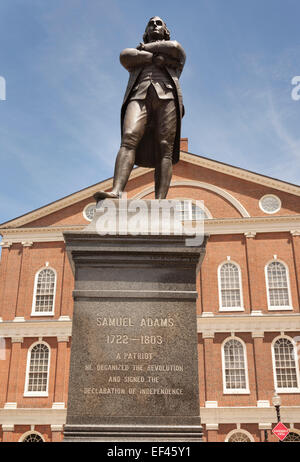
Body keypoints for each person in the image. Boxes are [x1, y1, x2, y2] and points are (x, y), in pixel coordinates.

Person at [95, 16, 186, 201]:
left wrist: (145, 50)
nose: (154, 25)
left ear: (165, 31)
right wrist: (154, 56)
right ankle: (116, 191)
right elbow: (125, 56)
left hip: (167, 97)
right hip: (139, 96)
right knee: (128, 137)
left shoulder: (173, 51)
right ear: (145, 32)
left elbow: (176, 48)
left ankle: (160, 200)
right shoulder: (137, 54)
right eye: (151, 24)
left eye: (158, 23)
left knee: (164, 148)